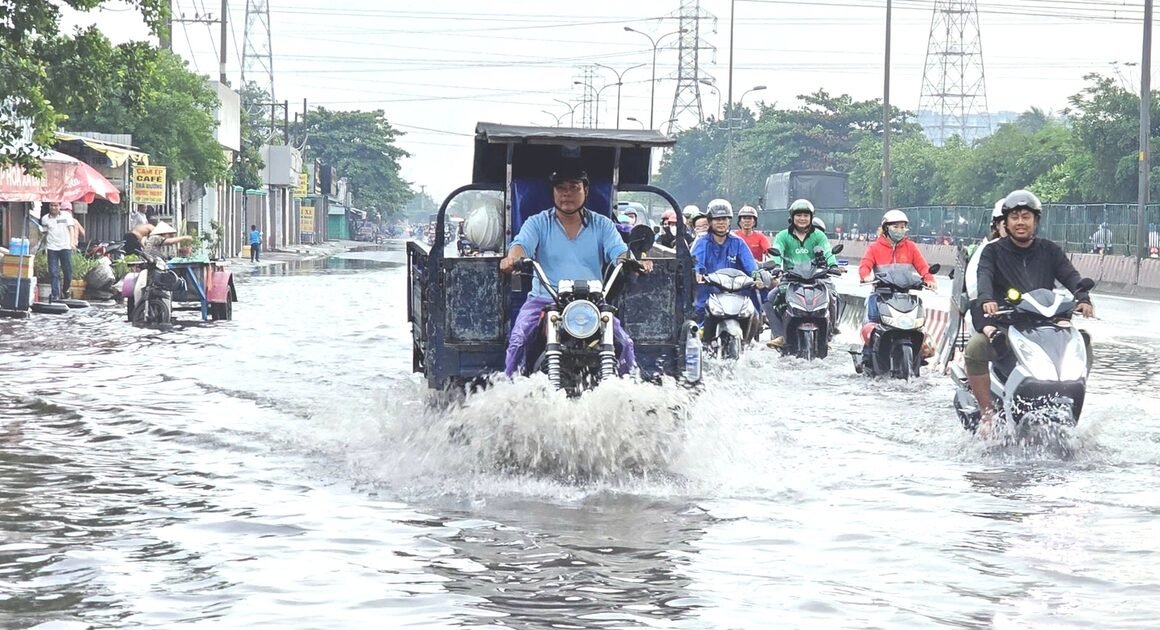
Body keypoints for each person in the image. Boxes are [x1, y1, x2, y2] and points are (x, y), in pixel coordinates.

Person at [499, 167, 652, 378]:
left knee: (624, 342)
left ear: (586, 191)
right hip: (545, 300)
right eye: (560, 188)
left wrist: (632, 261)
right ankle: (510, 391)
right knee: (519, 339)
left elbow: (618, 251)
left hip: (593, 303)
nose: (567, 194)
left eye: (574, 187)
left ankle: (627, 393)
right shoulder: (537, 222)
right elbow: (521, 244)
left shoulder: (603, 224)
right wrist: (513, 258)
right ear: (552, 193)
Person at [966, 190, 1093, 434]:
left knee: (1083, 341)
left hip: (1046, 324)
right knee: (975, 349)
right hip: (1008, 323)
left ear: (1036, 221)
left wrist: (1083, 297)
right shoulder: (993, 251)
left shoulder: (1050, 250)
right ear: (1006, 222)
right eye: (1015, 217)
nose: (1020, 222)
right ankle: (987, 414)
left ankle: (1073, 400)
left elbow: (1070, 276)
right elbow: (984, 278)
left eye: (1026, 216)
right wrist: (987, 299)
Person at [856, 209, 937, 369]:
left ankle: (917, 355)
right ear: (886, 228)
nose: (900, 230)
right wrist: (866, 276)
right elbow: (864, 265)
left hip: (905, 296)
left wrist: (929, 279)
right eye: (896, 227)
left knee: (919, 326)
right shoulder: (874, 248)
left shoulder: (910, 247)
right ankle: (867, 354)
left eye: (903, 227)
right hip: (881, 296)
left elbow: (923, 266)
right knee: (870, 324)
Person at [765, 199, 840, 348]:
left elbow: (827, 250)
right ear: (792, 217)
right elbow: (777, 252)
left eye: (806, 215)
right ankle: (781, 335)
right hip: (790, 280)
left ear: (811, 218)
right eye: (798, 215)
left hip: (817, 279)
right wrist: (775, 265)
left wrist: (833, 265)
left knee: (834, 296)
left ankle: (829, 332)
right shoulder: (782, 236)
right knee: (771, 298)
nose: (802, 219)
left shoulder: (819, 235)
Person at [691, 198, 760, 342]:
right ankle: (702, 337)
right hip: (709, 290)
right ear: (709, 221)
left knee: (754, 309)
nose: (721, 222)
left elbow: (750, 265)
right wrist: (698, 273)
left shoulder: (738, 242)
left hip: (735, 291)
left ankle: (750, 341)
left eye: (724, 219)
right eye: (717, 219)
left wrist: (757, 277)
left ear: (730, 221)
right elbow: (696, 262)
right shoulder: (702, 241)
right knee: (698, 311)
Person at [964, 200, 1007, 303]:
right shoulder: (989, 249)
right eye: (1007, 223)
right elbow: (974, 289)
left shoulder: (1039, 250)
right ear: (997, 226)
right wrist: (987, 298)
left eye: (1025, 218)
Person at [40, 202, 78, 300]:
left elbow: (71, 229)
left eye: (56, 205)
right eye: (51, 205)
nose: (53, 207)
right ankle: (55, 294)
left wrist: (72, 242)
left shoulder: (67, 216)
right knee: (53, 272)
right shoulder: (45, 219)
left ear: (60, 206)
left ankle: (65, 290)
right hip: (52, 247)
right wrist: (41, 247)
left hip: (65, 247)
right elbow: (44, 233)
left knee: (68, 272)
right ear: (49, 206)